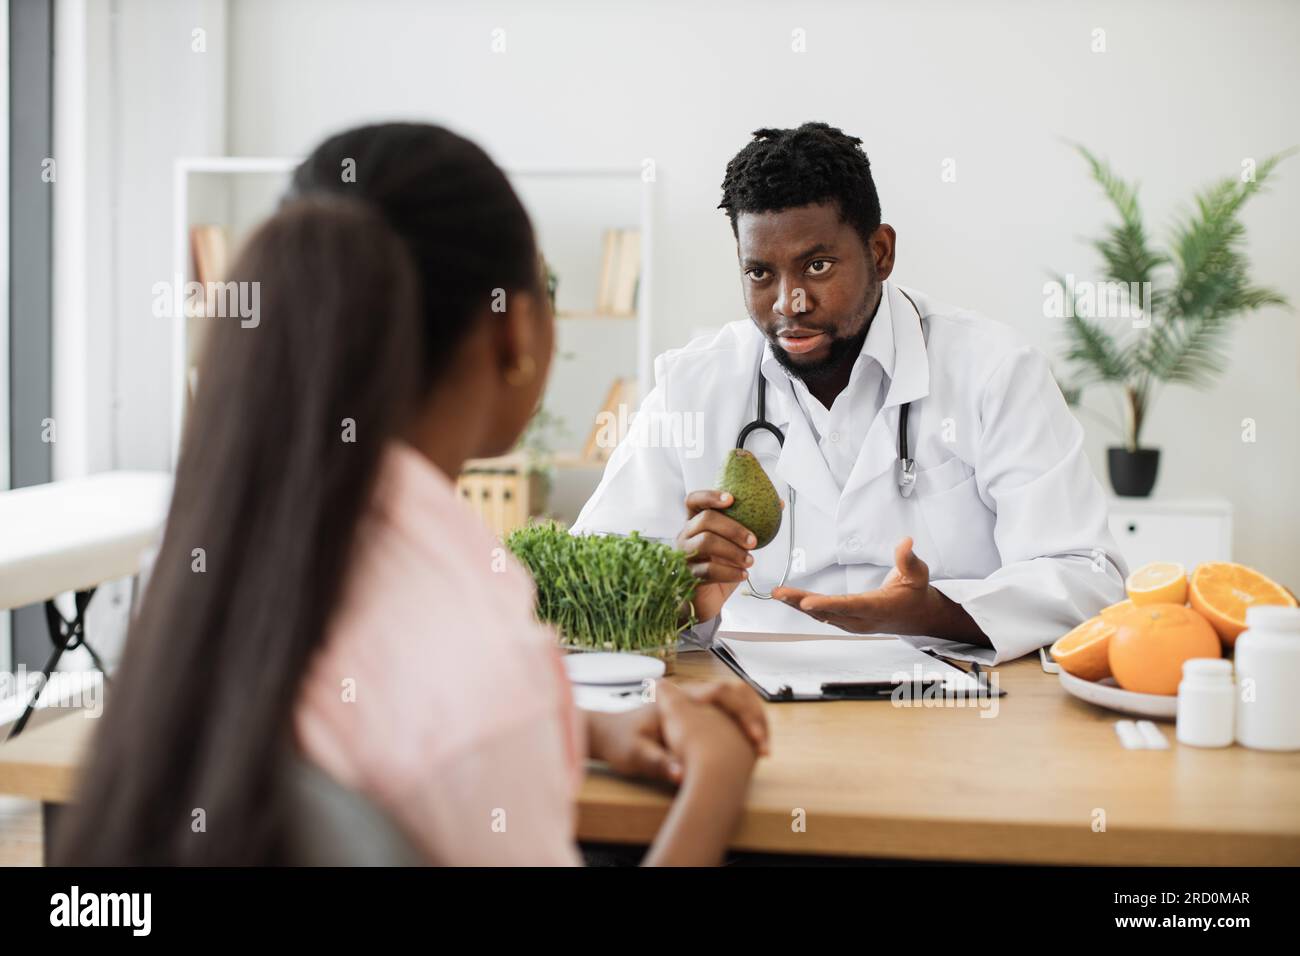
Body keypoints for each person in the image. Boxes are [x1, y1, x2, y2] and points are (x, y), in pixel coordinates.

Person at [54, 123, 766, 866]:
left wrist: (579, 724)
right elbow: (446, 715)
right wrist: (716, 779)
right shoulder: (475, 644)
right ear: (515, 331)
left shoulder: (220, 546)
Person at [572, 122, 1127, 664]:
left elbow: (1086, 576)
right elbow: (586, 586)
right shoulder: (691, 388)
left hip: (949, 703)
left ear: (880, 252)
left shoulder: (995, 371)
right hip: (752, 703)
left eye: (817, 266)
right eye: (761, 274)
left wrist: (933, 611)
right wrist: (679, 598)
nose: (789, 303)